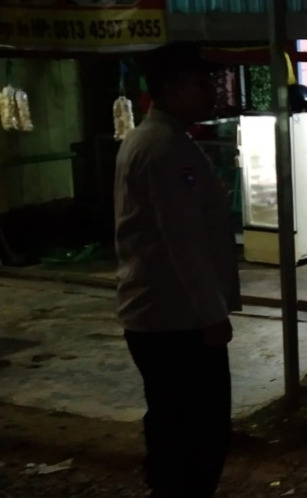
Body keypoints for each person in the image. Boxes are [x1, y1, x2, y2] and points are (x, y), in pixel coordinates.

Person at [113, 41, 241, 497]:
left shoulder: (154, 140)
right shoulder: (166, 148)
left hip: (162, 315)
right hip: (176, 319)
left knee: (172, 423)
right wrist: (212, 314)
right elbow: (184, 243)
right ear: (170, 89)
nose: (211, 92)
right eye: (200, 83)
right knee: (198, 432)